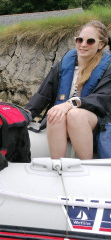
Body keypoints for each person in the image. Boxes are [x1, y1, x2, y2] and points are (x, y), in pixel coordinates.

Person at [25, 20, 111, 160]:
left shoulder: (108, 68)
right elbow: (43, 95)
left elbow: (102, 98)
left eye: (90, 41)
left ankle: (88, 167)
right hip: (63, 121)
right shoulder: (63, 65)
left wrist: (70, 104)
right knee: (54, 113)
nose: (83, 44)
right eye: (79, 40)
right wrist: (26, 113)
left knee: (75, 115)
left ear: (101, 44)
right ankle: (57, 166)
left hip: (95, 121)